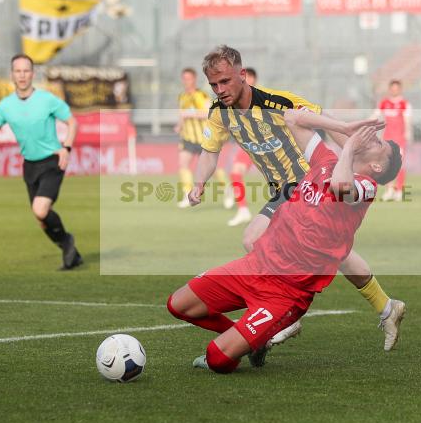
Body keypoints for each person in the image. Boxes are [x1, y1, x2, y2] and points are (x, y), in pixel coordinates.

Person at [189, 45, 406, 351]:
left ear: (243, 75)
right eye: (214, 84)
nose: (220, 90)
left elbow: (317, 120)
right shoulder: (219, 114)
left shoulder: (276, 101)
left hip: (305, 179)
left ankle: (285, 316)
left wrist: (355, 156)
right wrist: (199, 183)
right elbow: (210, 152)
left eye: (225, 82)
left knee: (253, 239)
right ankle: (386, 307)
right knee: (335, 251)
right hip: (283, 188)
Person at [167, 109, 402, 372]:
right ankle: (252, 339)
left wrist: (348, 149)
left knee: (217, 359)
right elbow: (292, 118)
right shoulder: (325, 161)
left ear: (377, 167)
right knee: (178, 305)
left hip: (286, 292)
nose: (372, 139)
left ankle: (244, 340)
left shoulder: (366, 186)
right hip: (255, 267)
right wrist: (345, 128)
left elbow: (340, 186)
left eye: (379, 143)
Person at [0, 54, 82, 270]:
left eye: (26, 71)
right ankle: (70, 252)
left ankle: (67, 241)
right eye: (18, 71)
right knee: (41, 219)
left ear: (32, 73)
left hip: (52, 161)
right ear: (12, 75)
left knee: (40, 209)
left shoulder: (47, 99)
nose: (22, 75)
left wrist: (66, 148)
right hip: (30, 166)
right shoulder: (5, 106)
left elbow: (72, 122)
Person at [175, 67, 230, 209]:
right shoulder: (182, 96)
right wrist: (179, 125)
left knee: (212, 168)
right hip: (188, 137)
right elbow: (182, 114)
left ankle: (227, 190)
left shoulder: (201, 96)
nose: (186, 81)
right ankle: (188, 194)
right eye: (184, 78)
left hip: (203, 138)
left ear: (194, 79)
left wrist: (190, 114)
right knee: (183, 164)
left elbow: (207, 113)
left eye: (189, 78)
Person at [225, 66, 258, 227]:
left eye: (250, 78)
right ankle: (243, 209)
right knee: (235, 173)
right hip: (250, 144)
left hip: (267, 144)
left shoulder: (260, 98)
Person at [375, 79, 412, 201]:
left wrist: (408, 133)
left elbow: (407, 120)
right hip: (387, 139)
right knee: (386, 165)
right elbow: (375, 116)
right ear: (390, 89)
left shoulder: (404, 104)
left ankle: (400, 190)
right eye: (392, 88)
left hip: (399, 139)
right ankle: (390, 190)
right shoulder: (384, 103)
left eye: (397, 88)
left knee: (399, 165)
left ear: (400, 89)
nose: (394, 90)